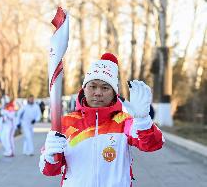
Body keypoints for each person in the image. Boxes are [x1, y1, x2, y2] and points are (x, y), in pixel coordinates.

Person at [39, 53, 164, 187]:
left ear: (114, 93)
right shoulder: (66, 123)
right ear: (84, 89)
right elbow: (49, 171)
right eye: (93, 86)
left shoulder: (124, 122)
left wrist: (143, 120)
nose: (98, 93)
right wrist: (50, 156)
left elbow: (153, 144)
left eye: (105, 87)